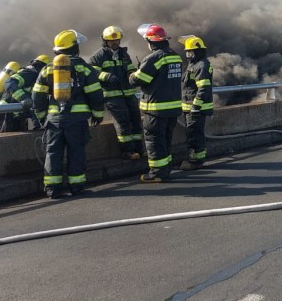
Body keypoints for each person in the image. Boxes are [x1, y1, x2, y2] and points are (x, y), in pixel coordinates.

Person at [32, 30, 105, 199]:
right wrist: (98, 114)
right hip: (77, 120)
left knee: (53, 153)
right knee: (76, 151)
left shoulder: (48, 69)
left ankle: (52, 189)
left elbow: (38, 96)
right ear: (75, 47)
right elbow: (95, 94)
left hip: (54, 120)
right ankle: (77, 186)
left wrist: (42, 116)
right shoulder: (85, 69)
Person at [129, 24, 182, 183]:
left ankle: (157, 173)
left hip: (156, 109)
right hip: (172, 108)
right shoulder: (175, 56)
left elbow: (138, 80)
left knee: (154, 141)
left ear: (151, 42)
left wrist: (131, 75)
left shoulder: (154, 58)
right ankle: (165, 169)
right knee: (165, 140)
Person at [89, 25, 144, 160]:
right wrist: (106, 76)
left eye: (117, 40)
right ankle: (128, 151)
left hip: (128, 93)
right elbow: (91, 72)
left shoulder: (123, 53)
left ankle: (139, 149)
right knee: (123, 121)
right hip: (112, 95)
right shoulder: (98, 56)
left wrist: (132, 74)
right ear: (105, 41)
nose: (114, 43)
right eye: (111, 41)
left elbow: (129, 68)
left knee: (136, 119)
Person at [178, 35, 214, 170]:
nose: (187, 54)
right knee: (193, 133)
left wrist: (195, 106)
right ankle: (196, 158)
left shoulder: (201, 65)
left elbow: (203, 87)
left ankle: (196, 161)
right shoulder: (194, 64)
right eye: (187, 51)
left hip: (197, 109)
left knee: (194, 134)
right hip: (190, 107)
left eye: (190, 51)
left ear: (197, 51)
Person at [0, 55, 51, 133]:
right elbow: (9, 82)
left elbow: (34, 103)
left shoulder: (37, 78)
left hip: (18, 114)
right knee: (2, 142)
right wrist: (23, 98)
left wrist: (39, 125)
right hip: (6, 113)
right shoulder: (29, 73)